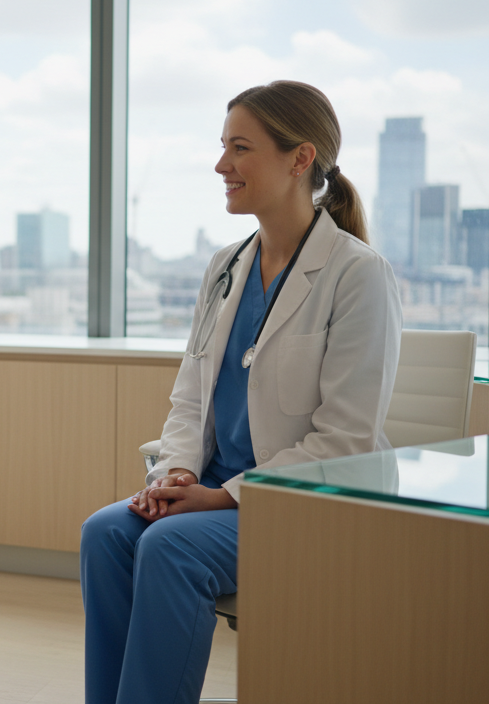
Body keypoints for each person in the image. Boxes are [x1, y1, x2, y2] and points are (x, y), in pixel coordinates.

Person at [79, 80, 402, 704]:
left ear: (300, 158)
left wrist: (217, 499)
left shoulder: (359, 276)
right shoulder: (226, 266)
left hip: (305, 503)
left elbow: (346, 440)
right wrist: (173, 474)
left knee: (171, 548)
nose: (221, 165)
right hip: (209, 489)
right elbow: (190, 397)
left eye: (240, 148)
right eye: (222, 146)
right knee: (106, 534)